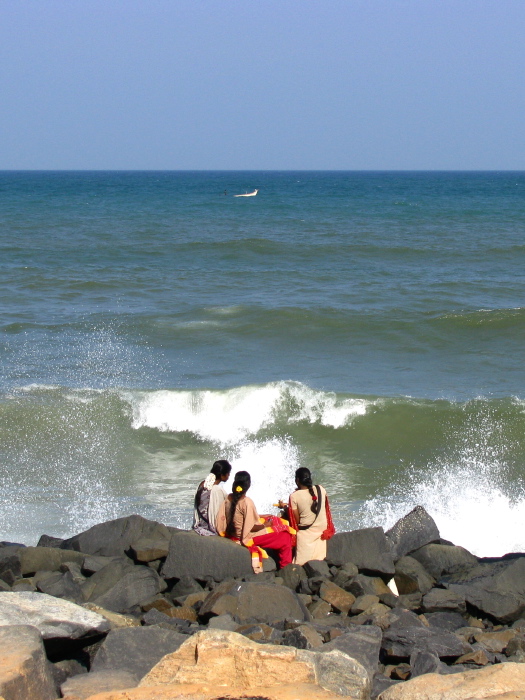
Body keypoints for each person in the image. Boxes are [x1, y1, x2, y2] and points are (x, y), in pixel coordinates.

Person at [216, 471, 294, 573]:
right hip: (246, 536)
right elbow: (250, 528)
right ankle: (285, 569)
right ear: (248, 485)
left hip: (233, 533)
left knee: (270, 518)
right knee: (285, 537)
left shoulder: (229, 498)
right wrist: (264, 526)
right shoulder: (247, 502)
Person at [281, 467, 335, 566]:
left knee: (281, 517)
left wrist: (285, 508)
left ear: (297, 480)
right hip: (322, 529)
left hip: (307, 534)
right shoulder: (321, 489)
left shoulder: (294, 496)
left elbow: (297, 521)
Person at [192, 460, 232, 536]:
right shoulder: (217, 490)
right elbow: (224, 512)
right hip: (210, 528)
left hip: (198, 525)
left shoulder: (202, 484)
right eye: (228, 473)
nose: (229, 475)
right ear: (222, 475)